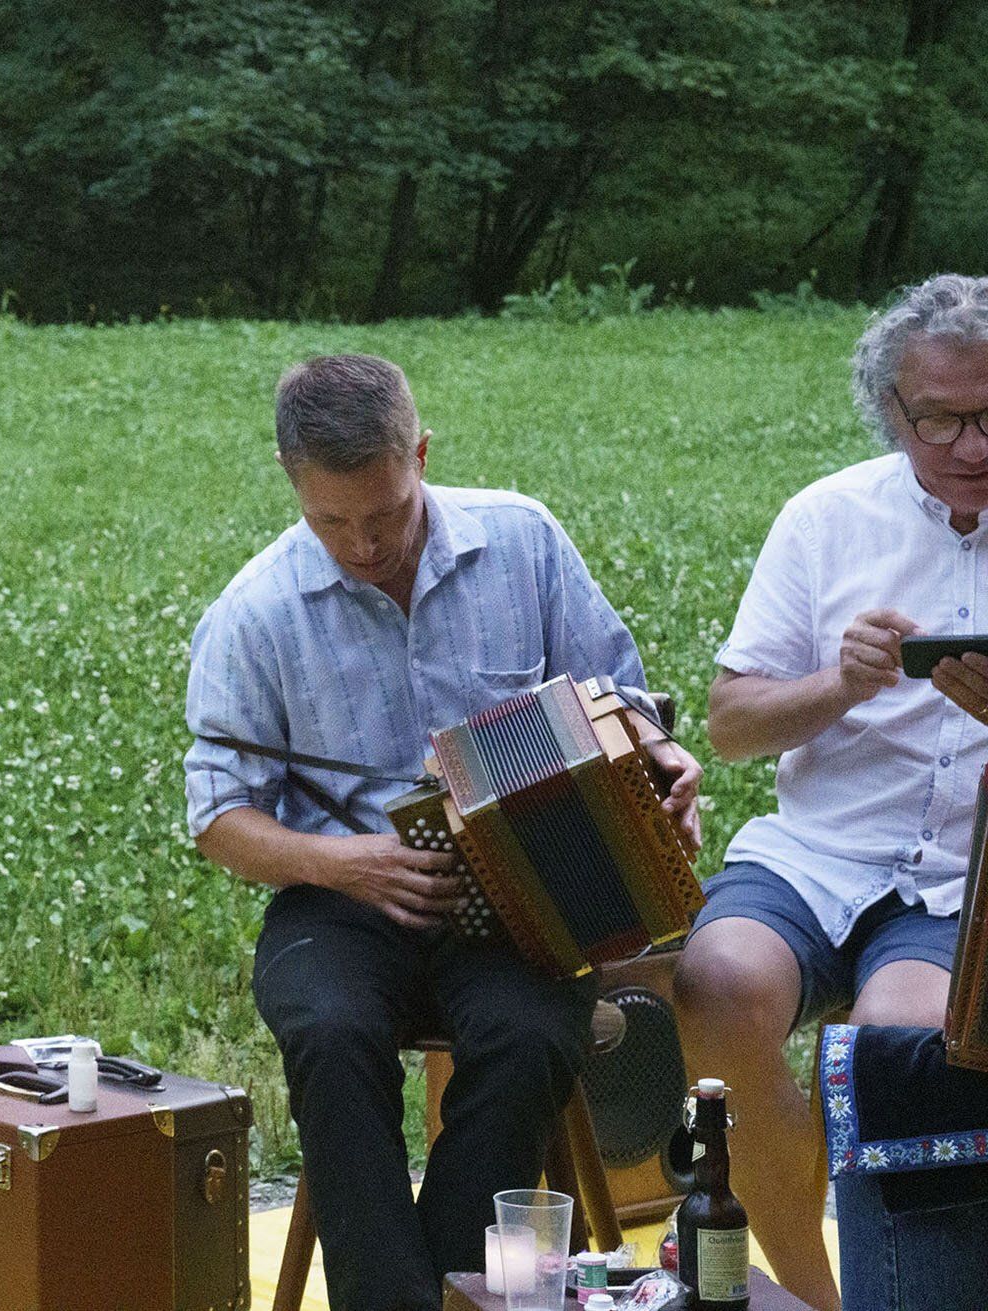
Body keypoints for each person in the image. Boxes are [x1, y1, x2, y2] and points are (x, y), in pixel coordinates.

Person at [183, 353, 702, 1311]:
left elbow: (625, 702)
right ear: (291, 481)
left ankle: (439, 1292)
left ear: (419, 452)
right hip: (336, 897)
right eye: (331, 521)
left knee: (530, 1031)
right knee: (331, 1031)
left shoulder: (524, 539)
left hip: (523, 893)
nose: (363, 543)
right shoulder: (251, 614)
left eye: (384, 512)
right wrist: (352, 864)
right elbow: (219, 817)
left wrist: (660, 761)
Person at [677, 273, 988, 1311]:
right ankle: (814, 1299)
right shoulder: (826, 518)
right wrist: (840, 684)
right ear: (889, 411)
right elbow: (728, 725)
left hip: (961, 877)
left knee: (898, 1046)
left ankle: (903, 1288)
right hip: (817, 851)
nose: (971, 445)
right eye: (939, 418)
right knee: (717, 983)